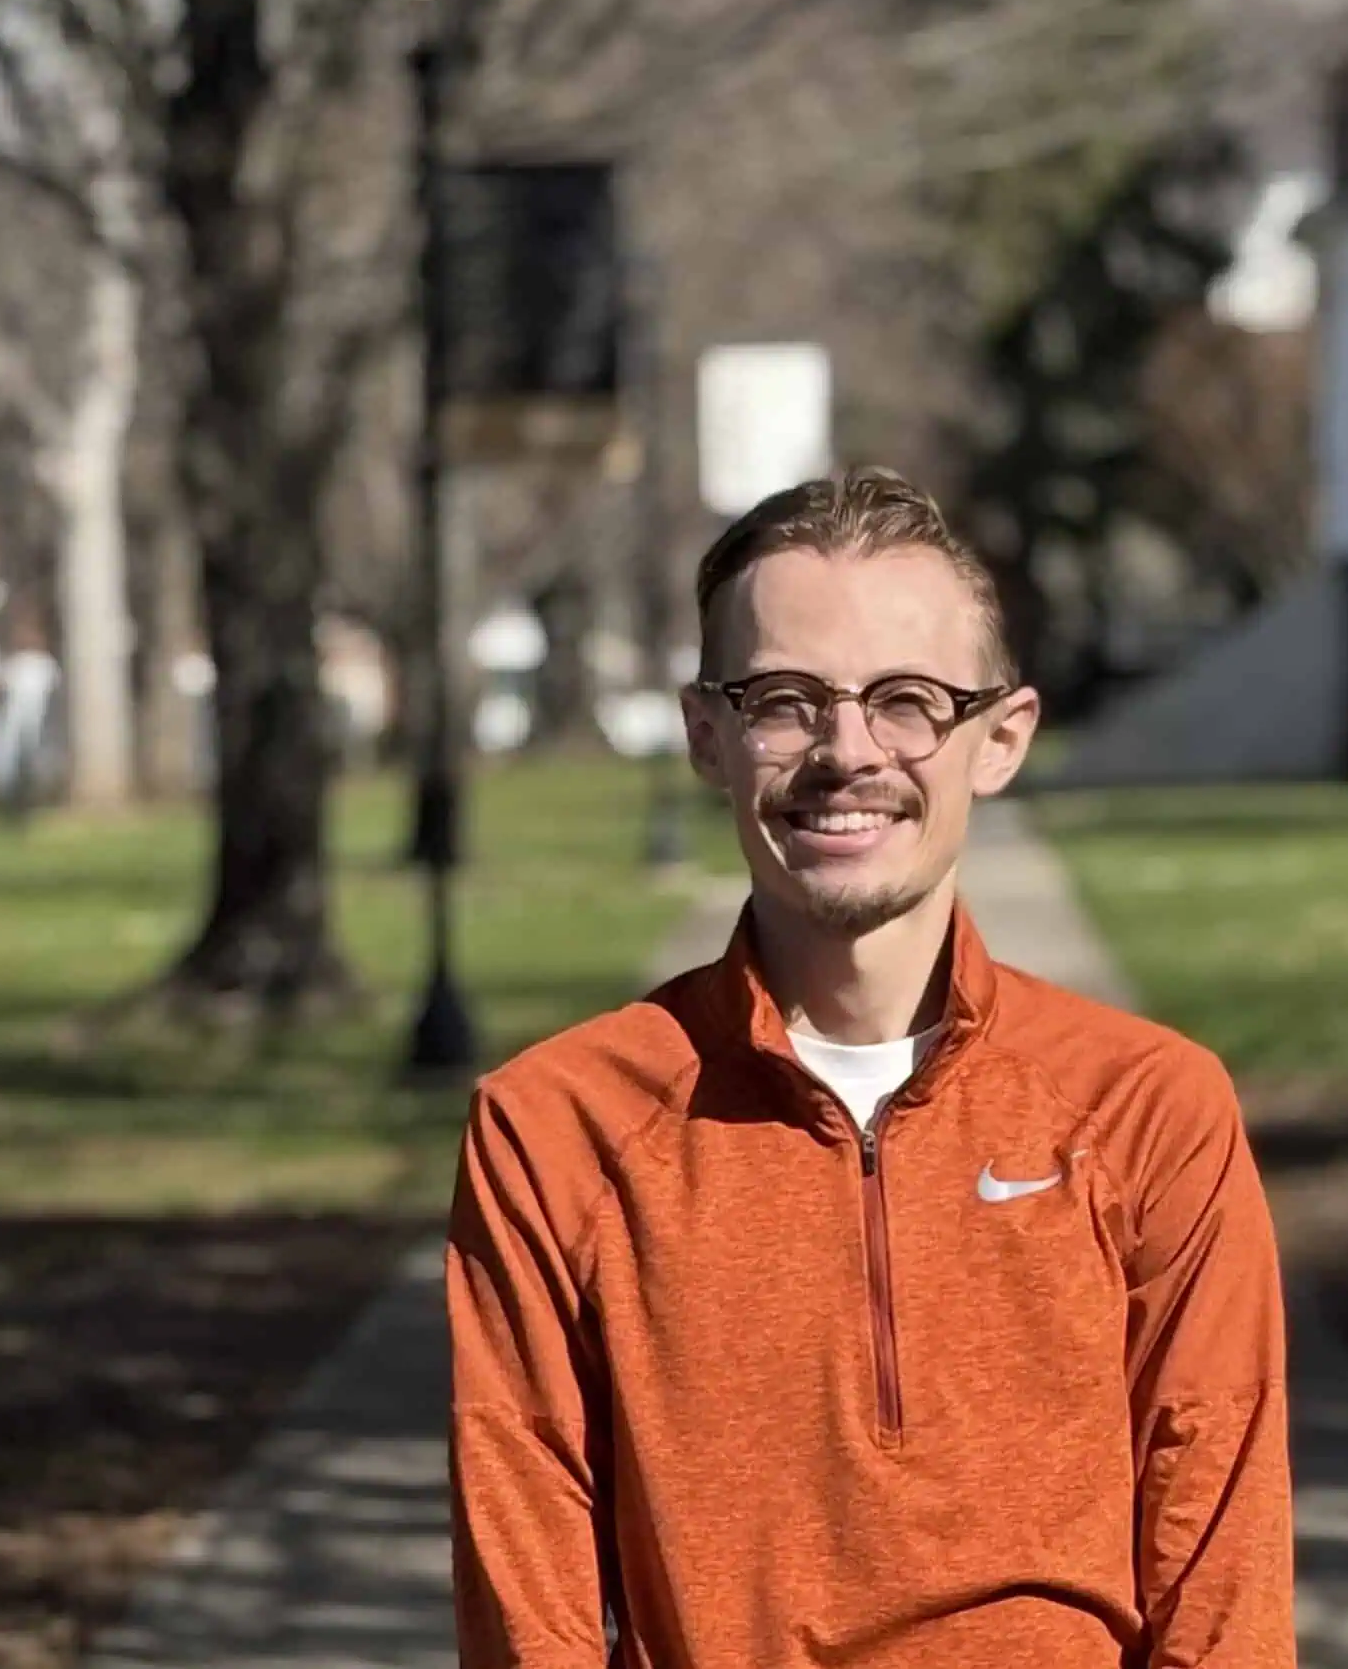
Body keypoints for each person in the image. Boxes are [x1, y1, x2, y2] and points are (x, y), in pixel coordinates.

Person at [447, 468, 1294, 1668]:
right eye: (786, 700)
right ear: (708, 735)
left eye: (907, 701)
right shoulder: (556, 1128)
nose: (848, 753)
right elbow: (526, 1614)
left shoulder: (1149, 1111)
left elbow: (1225, 1592)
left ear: (999, 740)